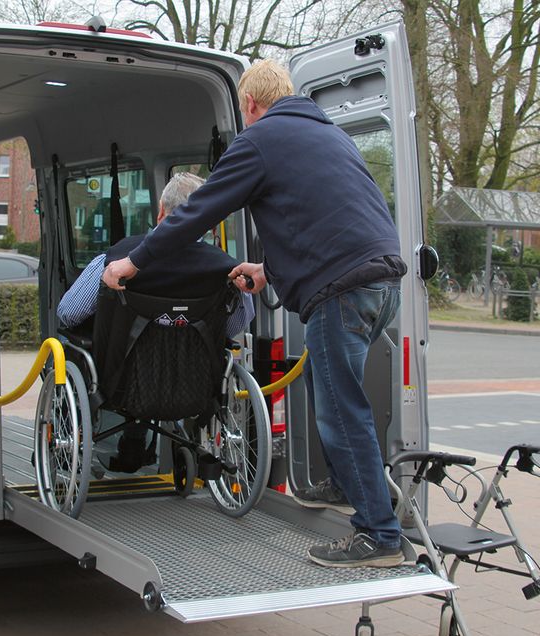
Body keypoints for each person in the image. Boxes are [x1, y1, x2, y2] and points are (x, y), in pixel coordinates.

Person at [102, 60, 408, 568]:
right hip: (382, 281)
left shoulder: (261, 139)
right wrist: (268, 270)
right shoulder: (330, 137)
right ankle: (346, 483)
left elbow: (196, 214)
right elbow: (325, 219)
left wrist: (133, 262)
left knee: (340, 406)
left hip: (342, 288)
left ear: (249, 104)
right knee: (332, 391)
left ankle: (379, 534)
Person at [58, 172, 254, 473]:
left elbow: (68, 313)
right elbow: (235, 325)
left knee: (71, 345)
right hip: (196, 386)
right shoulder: (227, 269)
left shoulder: (116, 261)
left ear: (161, 211)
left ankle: (90, 440)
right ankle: (144, 446)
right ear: (208, 221)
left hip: (120, 385)